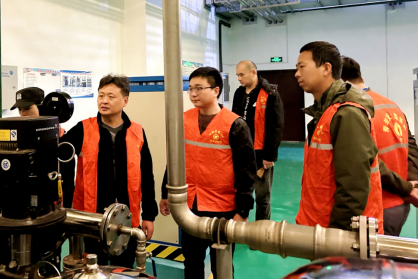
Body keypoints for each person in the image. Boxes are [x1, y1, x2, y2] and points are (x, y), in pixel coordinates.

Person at [159, 67, 256, 279]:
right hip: (189, 206)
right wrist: (166, 193)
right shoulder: (183, 120)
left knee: (221, 265)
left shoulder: (235, 125)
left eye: (199, 88)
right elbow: (174, 159)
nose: (193, 94)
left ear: (216, 90)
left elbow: (246, 172)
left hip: (222, 208)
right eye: (190, 89)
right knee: (192, 262)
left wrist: (243, 211)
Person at [61, 74, 158, 268]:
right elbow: (59, 154)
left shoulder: (137, 132)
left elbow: (147, 175)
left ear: (125, 101)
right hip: (91, 218)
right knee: (93, 270)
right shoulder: (83, 129)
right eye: (101, 95)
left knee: (123, 270)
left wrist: (149, 215)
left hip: (126, 218)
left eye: (111, 96)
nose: (104, 101)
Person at [295, 41, 384, 232]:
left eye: (302, 67)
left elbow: (353, 186)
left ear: (326, 68)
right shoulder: (324, 112)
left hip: (336, 233)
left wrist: (336, 238)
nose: (297, 73)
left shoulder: (347, 113)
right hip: (318, 226)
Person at [341, 56, 418, 236]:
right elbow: (411, 148)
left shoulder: (351, 111)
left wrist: (405, 188)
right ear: (361, 78)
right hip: (400, 204)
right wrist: (411, 188)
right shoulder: (392, 106)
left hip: (374, 207)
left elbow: (367, 161)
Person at [232, 60, 284, 221]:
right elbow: (233, 120)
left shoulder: (270, 93)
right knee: (240, 194)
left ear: (253, 72)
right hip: (241, 152)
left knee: (262, 198)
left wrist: (269, 155)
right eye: (237, 75)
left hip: (261, 154)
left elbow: (276, 126)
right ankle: (240, 227)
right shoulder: (239, 93)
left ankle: (261, 230)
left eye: (242, 74)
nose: (239, 78)